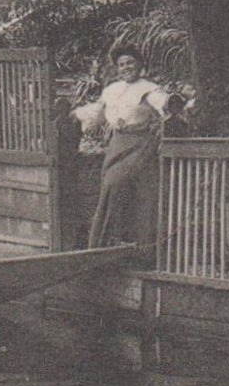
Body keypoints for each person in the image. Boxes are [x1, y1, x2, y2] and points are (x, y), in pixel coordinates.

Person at [75, 45, 175, 248]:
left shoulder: (148, 89)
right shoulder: (112, 90)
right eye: (121, 64)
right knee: (113, 187)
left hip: (140, 143)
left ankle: (139, 247)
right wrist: (76, 115)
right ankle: (109, 245)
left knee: (121, 185)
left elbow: (164, 104)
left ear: (139, 64)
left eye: (130, 62)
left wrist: (176, 104)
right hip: (118, 143)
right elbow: (98, 114)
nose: (126, 67)